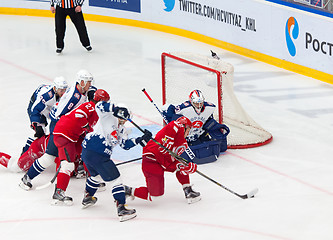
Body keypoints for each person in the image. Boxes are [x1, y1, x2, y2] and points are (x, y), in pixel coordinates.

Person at [19, 69, 96, 191]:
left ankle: (91, 178)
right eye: (88, 82)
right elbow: (58, 115)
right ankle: (27, 178)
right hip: (60, 128)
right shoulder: (73, 97)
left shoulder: (81, 90)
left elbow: (91, 91)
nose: (90, 85)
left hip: (68, 128)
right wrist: (70, 127)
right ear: (81, 82)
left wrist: (92, 91)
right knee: (50, 157)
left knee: (85, 148)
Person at [81, 102, 152, 221]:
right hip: (96, 152)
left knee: (97, 176)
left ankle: (88, 196)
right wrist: (115, 109)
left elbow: (125, 145)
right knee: (116, 179)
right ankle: (122, 209)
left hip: (90, 153)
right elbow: (99, 106)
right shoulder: (108, 116)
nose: (124, 120)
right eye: (123, 116)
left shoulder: (122, 129)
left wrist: (140, 140)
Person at [50, 89, 110, 205]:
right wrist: (86, 126)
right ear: (100, 101)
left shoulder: (97, 112)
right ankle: (58, 193)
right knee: (68, 164)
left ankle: (92, 181)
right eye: (105, 102)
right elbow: (79, 115)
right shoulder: (90, 106)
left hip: (72, 136)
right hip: (64, 134)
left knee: (88, 154)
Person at [124, 116, 201, 204]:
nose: (188, 133)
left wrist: (184, 167)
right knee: (155, 197)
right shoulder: (175, 127)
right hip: (151, 161)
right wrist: (170, 138)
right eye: (188, 129)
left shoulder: (183, 144)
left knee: (183, 166)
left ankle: (188, 190)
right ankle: (129, 190)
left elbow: (170, 162)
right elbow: (174, 125)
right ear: (184, 127)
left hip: (163, 162)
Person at [162, 89, 230, 164]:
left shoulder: (209, 108)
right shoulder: (184, 109)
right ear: (191, 102)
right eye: (196, 103)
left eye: (201, 103)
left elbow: (208, 120)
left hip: (198, 136)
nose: (199, 106)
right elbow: (169, 112)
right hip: (185, 138)